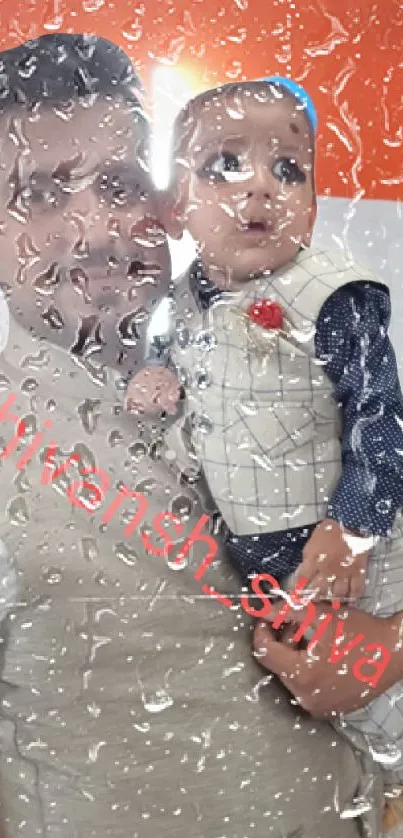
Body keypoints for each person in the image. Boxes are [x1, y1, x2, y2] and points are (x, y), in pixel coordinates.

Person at [0, 34, 393, 838]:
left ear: (167, 201)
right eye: (38, 193)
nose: (93, 225)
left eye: (118, 181)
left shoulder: (298, 358)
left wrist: (388, 648)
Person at [125, 77, 403, 804]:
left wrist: (354, 529)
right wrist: (157, 375)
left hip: (341, 545)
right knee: (305, 686)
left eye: (288, 169)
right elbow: (180, 355)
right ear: (176, 206)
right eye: (224, 165)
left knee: (374, 690)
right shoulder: (182, 298)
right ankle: (367, 783)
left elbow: (380, 418)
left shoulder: (331, 299)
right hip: (253, 545)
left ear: (310, 207)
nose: (260, 191)